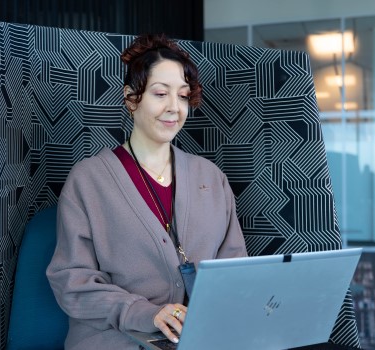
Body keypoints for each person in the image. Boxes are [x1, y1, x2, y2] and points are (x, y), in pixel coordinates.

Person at [46, 33, 247, 350]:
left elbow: (235, 272)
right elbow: (71, 282)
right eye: (160, 93)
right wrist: (144, 314)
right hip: (115, 340)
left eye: (182, 96)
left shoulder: (212, 178)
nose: (174, 107)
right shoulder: (88, 180)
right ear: (131, 98)